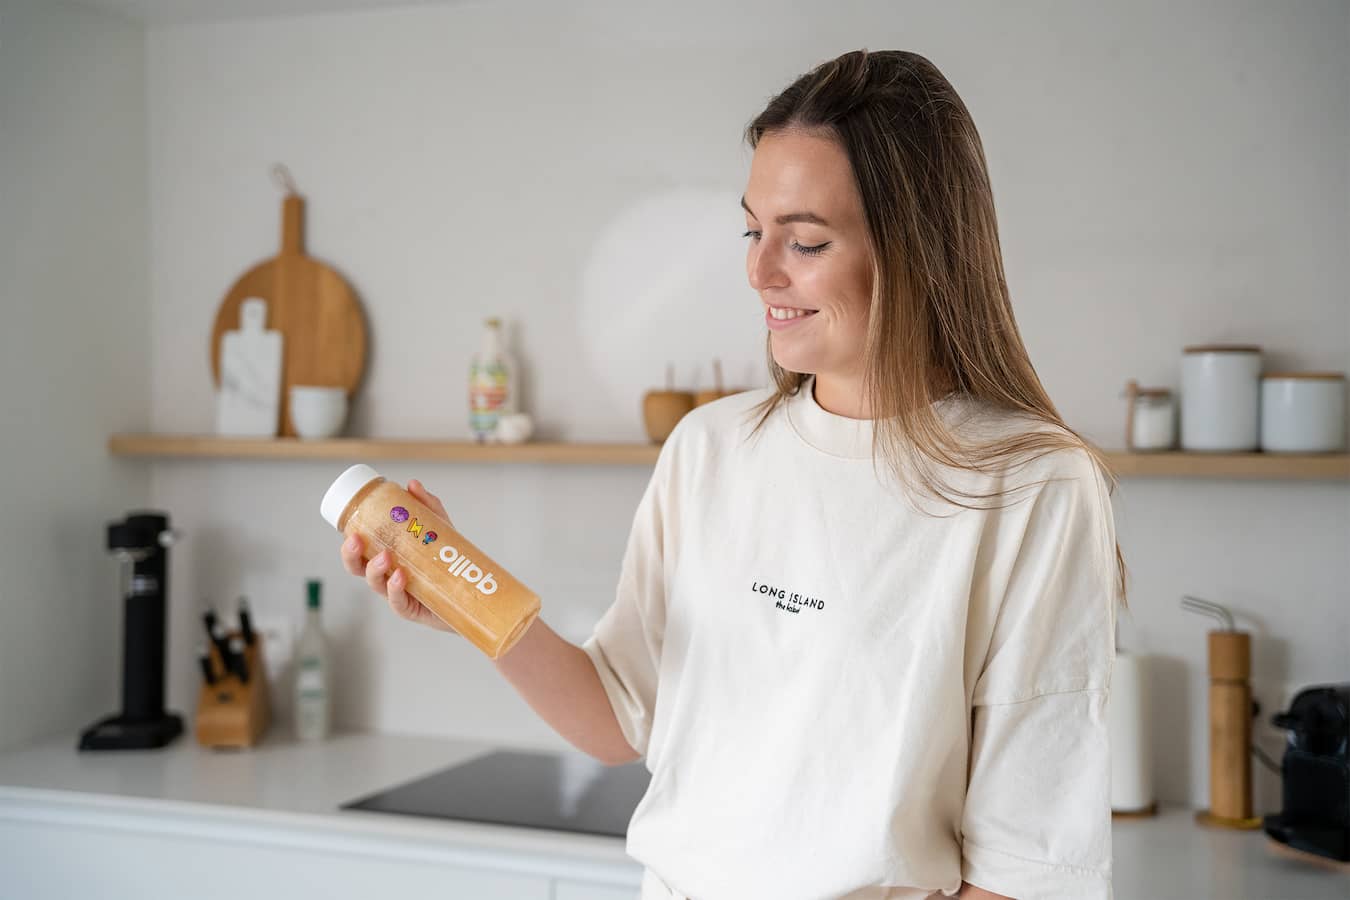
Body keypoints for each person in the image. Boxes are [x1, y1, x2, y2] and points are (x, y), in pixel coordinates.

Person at [341, 48, 1125, 900]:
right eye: (754, 231)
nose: (760, 273)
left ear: (918, 250)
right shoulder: (709, 449)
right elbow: (618, 716)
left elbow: (1026, 865)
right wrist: (463, 597)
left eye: (807, 241)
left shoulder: (1032, 486)